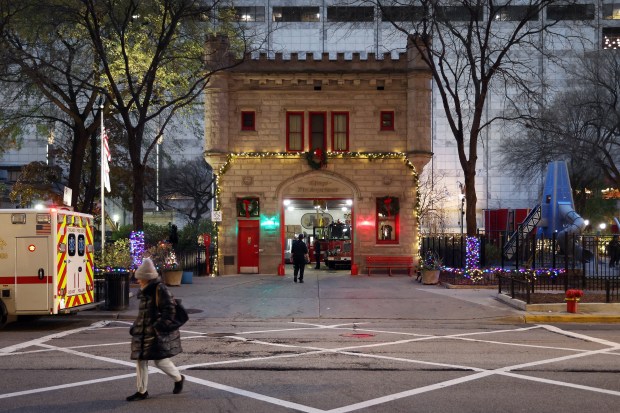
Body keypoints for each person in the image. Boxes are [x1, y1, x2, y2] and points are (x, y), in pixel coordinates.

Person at [127, 258, 185, 401]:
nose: (138, 281)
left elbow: (170, 310)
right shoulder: (145, 292)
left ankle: (178, 379)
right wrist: (136, 327)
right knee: (140, 359)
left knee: (160, 361)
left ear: (147, 278)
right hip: (144, 332)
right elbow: (143, 314)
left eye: (140, 278)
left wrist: (159, 325)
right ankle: (142, 391)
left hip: (156, 333)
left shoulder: (160, 289)